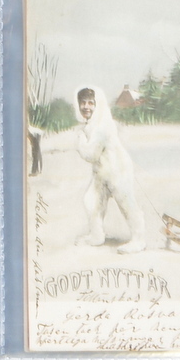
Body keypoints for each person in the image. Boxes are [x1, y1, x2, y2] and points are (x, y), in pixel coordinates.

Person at [74, 86, 146, 254]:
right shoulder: (93, 124)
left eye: (90, 103)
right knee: (91, 201)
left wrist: (80, 140)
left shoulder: (103, 125)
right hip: (102, 172)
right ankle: (96, 236)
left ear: (97, 104)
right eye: (83, 103)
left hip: (117, 170)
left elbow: (91, 154)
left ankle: (139, 239)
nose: (86, 107)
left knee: (127, 204)